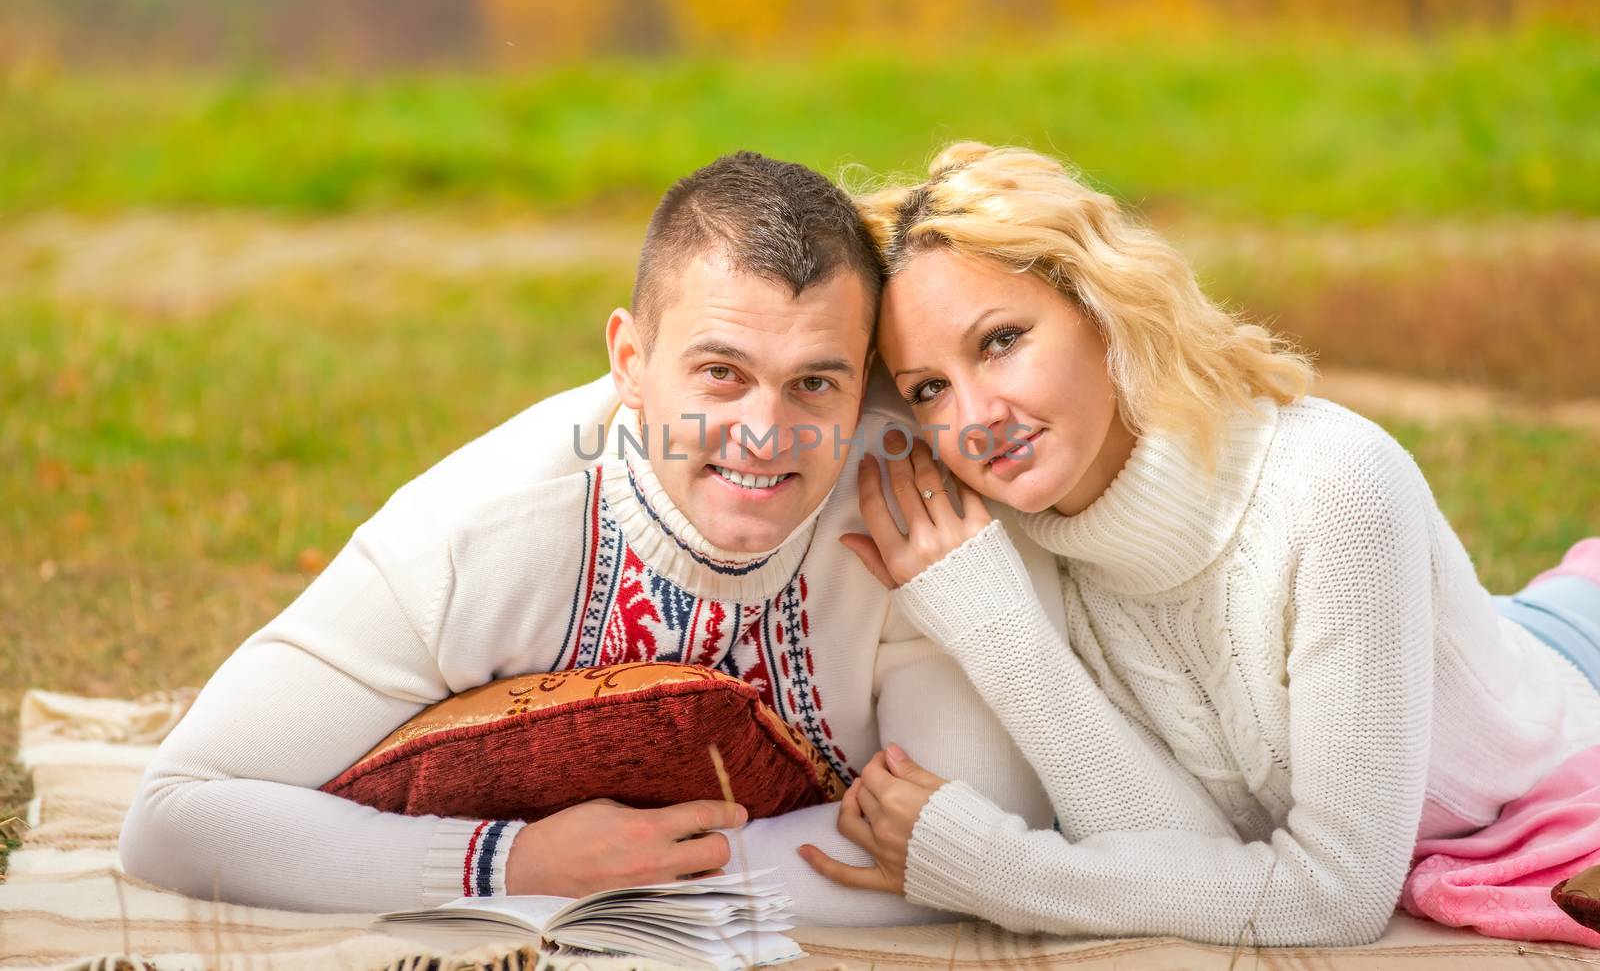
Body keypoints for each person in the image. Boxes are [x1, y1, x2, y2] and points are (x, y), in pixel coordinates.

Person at [118, 151, 1056, 920]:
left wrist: (644, 876)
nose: (767, 435)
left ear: (865, 381)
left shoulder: (909, 506)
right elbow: (175, 816)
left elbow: (958, 845)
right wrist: (508, 863)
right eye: (721, 373)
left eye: (816, 382)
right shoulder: (473, 536)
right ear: (630, 360)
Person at [800, 141, 1600, 946]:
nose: (975, 416)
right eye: (928, 389)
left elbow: (1338, 896)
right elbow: (1191, 859)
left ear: (1101, 306)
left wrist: (995, 868)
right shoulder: (1008, 547)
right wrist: (998, 629)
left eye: (1001, 340)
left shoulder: (1337, 488)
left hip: (1572, 667)